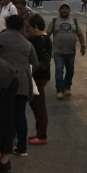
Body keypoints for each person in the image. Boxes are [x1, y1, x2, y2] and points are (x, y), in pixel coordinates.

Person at [0, 13, 38, 158]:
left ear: (7, 25)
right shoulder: (27, 43)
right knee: (20, 114)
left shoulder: (0, 38)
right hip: (23, 81)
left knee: (4, 114)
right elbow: (35, 64)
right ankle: (22, 147)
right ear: (21, 27)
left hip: (5, 81)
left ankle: (4, 147)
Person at [48, 3, 85, 99]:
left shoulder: (74, 21)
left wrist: (83, 46)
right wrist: (46, 47)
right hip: (58, 51)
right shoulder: (54, 21)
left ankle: (67, 87)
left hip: (71, 52)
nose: (65, 10)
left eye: (66, 9)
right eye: (63, 9)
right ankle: (59, 90)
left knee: (70, 70)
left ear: (69, 11)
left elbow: (80, 34)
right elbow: (47, 34)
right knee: (59, 70)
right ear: (59, 10)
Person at [27, 14, 51, 145]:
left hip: (38, 75)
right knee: (34, 103)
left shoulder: (38, 40)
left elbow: (36, 59)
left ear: (35, 27)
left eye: (30, 27)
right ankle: (39, 131)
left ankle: (42, 135)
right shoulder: (45, 38)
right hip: (41, 74)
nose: (29, 30)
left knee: (39, 105)